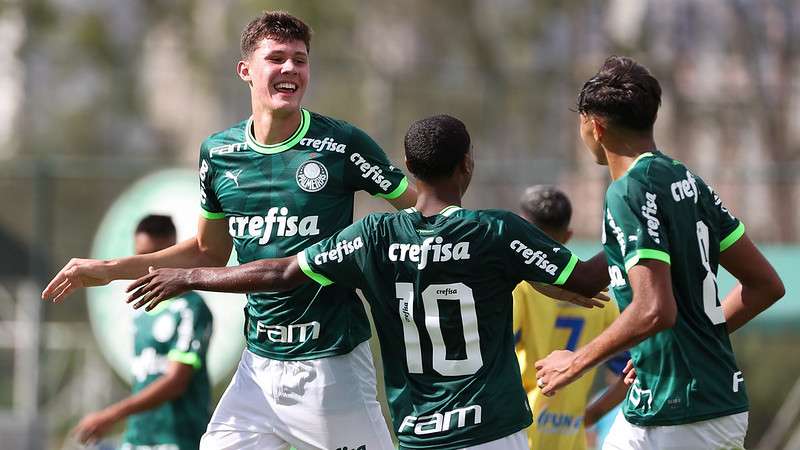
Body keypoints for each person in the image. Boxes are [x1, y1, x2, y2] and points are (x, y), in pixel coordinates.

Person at [42, 11, 416, 450]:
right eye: (276, 58)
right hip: (257, 369)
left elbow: (421, 212)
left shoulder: (342, 145)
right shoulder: (219, 154)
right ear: (246, 71)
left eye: (300, 59)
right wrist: (109, 269)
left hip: (331, 367)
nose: (290, 69)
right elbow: (207, 251)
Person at [124, 114, 612, 450]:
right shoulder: (494, 232)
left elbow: (281, 272)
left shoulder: (373, 236)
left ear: (412, 172)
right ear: (467, 165)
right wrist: (640, 232)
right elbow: (587, 278)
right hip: (493, 429)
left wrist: (190, 275)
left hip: (420, 433)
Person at [535, 56, 786, 450]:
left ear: (595, 127)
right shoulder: (687, 180)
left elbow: (655, 309)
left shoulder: (627, 191)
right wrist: (683, 342)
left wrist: (575, 362)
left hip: (681, 416)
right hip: (686, 402)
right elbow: (765, 285)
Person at [73, 215, 213, 450]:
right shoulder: (140, 311)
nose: (148, 267)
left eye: (155, 257)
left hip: (178, 438)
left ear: (172, 251)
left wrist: (110, 415)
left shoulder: (191, 308)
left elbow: (176, 381)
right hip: (138, 437)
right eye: (141, 256)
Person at [512, 185, 628, 450]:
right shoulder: (601, 296)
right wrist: (592, 415)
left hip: (520, 437)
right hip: (569, 438)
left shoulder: (519, 289)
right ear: (568, 237)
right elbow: (635, 372)